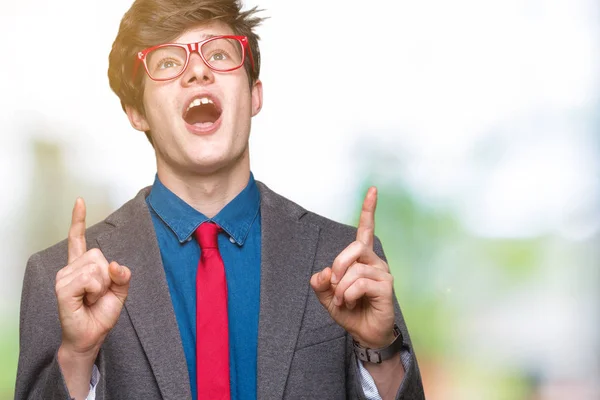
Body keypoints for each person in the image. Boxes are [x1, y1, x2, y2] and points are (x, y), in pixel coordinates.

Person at [15, 0, 425, 399]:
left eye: (219, 54)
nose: (197, 71)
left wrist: (380, 352)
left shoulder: (346, 263)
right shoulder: (60, 280)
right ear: (136, 112)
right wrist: (77, 357)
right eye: (168, 62)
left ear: (254, 95)